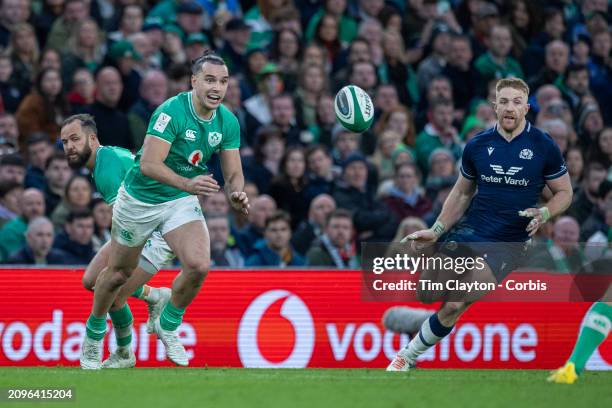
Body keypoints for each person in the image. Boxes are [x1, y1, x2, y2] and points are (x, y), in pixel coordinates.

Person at [387, 77, 573, 371]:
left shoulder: (543, 146)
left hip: (510, 242)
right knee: (427, 292)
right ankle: (428, 323)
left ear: (526, 107)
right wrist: (435, 231)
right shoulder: (478, 145)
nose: (509, 108)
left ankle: (406, 357)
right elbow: (461, 192)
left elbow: (565, 192)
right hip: (471, 231)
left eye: (516, 102)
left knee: (455, 303)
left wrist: (546, 213)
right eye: (504, 101)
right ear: (494, 106)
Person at [78, 51, 249, 369]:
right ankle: (92, 338)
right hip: (140, 200)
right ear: (194, 81)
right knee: (114, 277)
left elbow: (234, 171)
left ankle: (168, 325)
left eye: (223, 81)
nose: (217, 88)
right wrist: (188, 185)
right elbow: (149, 164)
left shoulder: (227, 122)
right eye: (210, 80)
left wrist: (237, 192)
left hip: (179, 201)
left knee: (198, 265)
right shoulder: (170, 112)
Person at [59, 113, 177, 368]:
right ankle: (154, 296)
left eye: (75, 139)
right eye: (65, 142)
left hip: (157, 232)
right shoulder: (101, 162)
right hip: (140, 227)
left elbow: (127, 218)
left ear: (92, 138)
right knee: (92, 281)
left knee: (110, 289)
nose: (69, 146)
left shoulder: (107, 163)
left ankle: (119, 349)